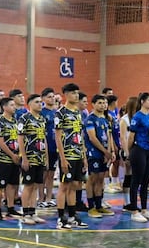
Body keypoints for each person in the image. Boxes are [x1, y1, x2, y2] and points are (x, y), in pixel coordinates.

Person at [54, 83, 88, 229]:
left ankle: (73, 216)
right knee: (64, 186)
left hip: (78, 155)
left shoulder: (77, 113)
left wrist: (84, 156)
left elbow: (80, 135)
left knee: (74, 186)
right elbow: (57, 136)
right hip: (67, 156)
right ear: (66, 94)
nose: (77, 95)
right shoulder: (60, 113)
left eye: (77, 93)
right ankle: (61, 218)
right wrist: (62, 158)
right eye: (74, 93)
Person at [126, 92, 149, 223]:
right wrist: (129, 152)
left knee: (146, 181)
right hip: (138, 150)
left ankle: (144, 209)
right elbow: (131, 136)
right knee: (136, 181)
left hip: (148, 150)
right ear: (142, 102)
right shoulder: (137, 117)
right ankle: (134, 211)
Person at [17, 93, 47, 225]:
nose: (40, 104)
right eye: (37, 102)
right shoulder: (24, 119)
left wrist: (46, 157)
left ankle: (33, 212)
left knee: (35, 186)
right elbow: (20, 138)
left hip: (40, 158)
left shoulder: (41, 119)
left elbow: (43, 139)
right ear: (29, 104)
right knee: (28, 186)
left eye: (41, 102)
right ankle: (25, 214)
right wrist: (24, 158)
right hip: (29, 157)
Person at [84, 94, 114, 218]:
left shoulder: (106, 119)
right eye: (100, 103)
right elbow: (92, 138)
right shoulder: (90, 119)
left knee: (101, 179)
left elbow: (108, 136)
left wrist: (111, 152)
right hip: (93, 153)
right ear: (93, 104)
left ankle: (99, 205)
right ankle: (91, 207)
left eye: (104, 103)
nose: (103, 105)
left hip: (104, 154)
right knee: (92, 179)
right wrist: (105, 151)